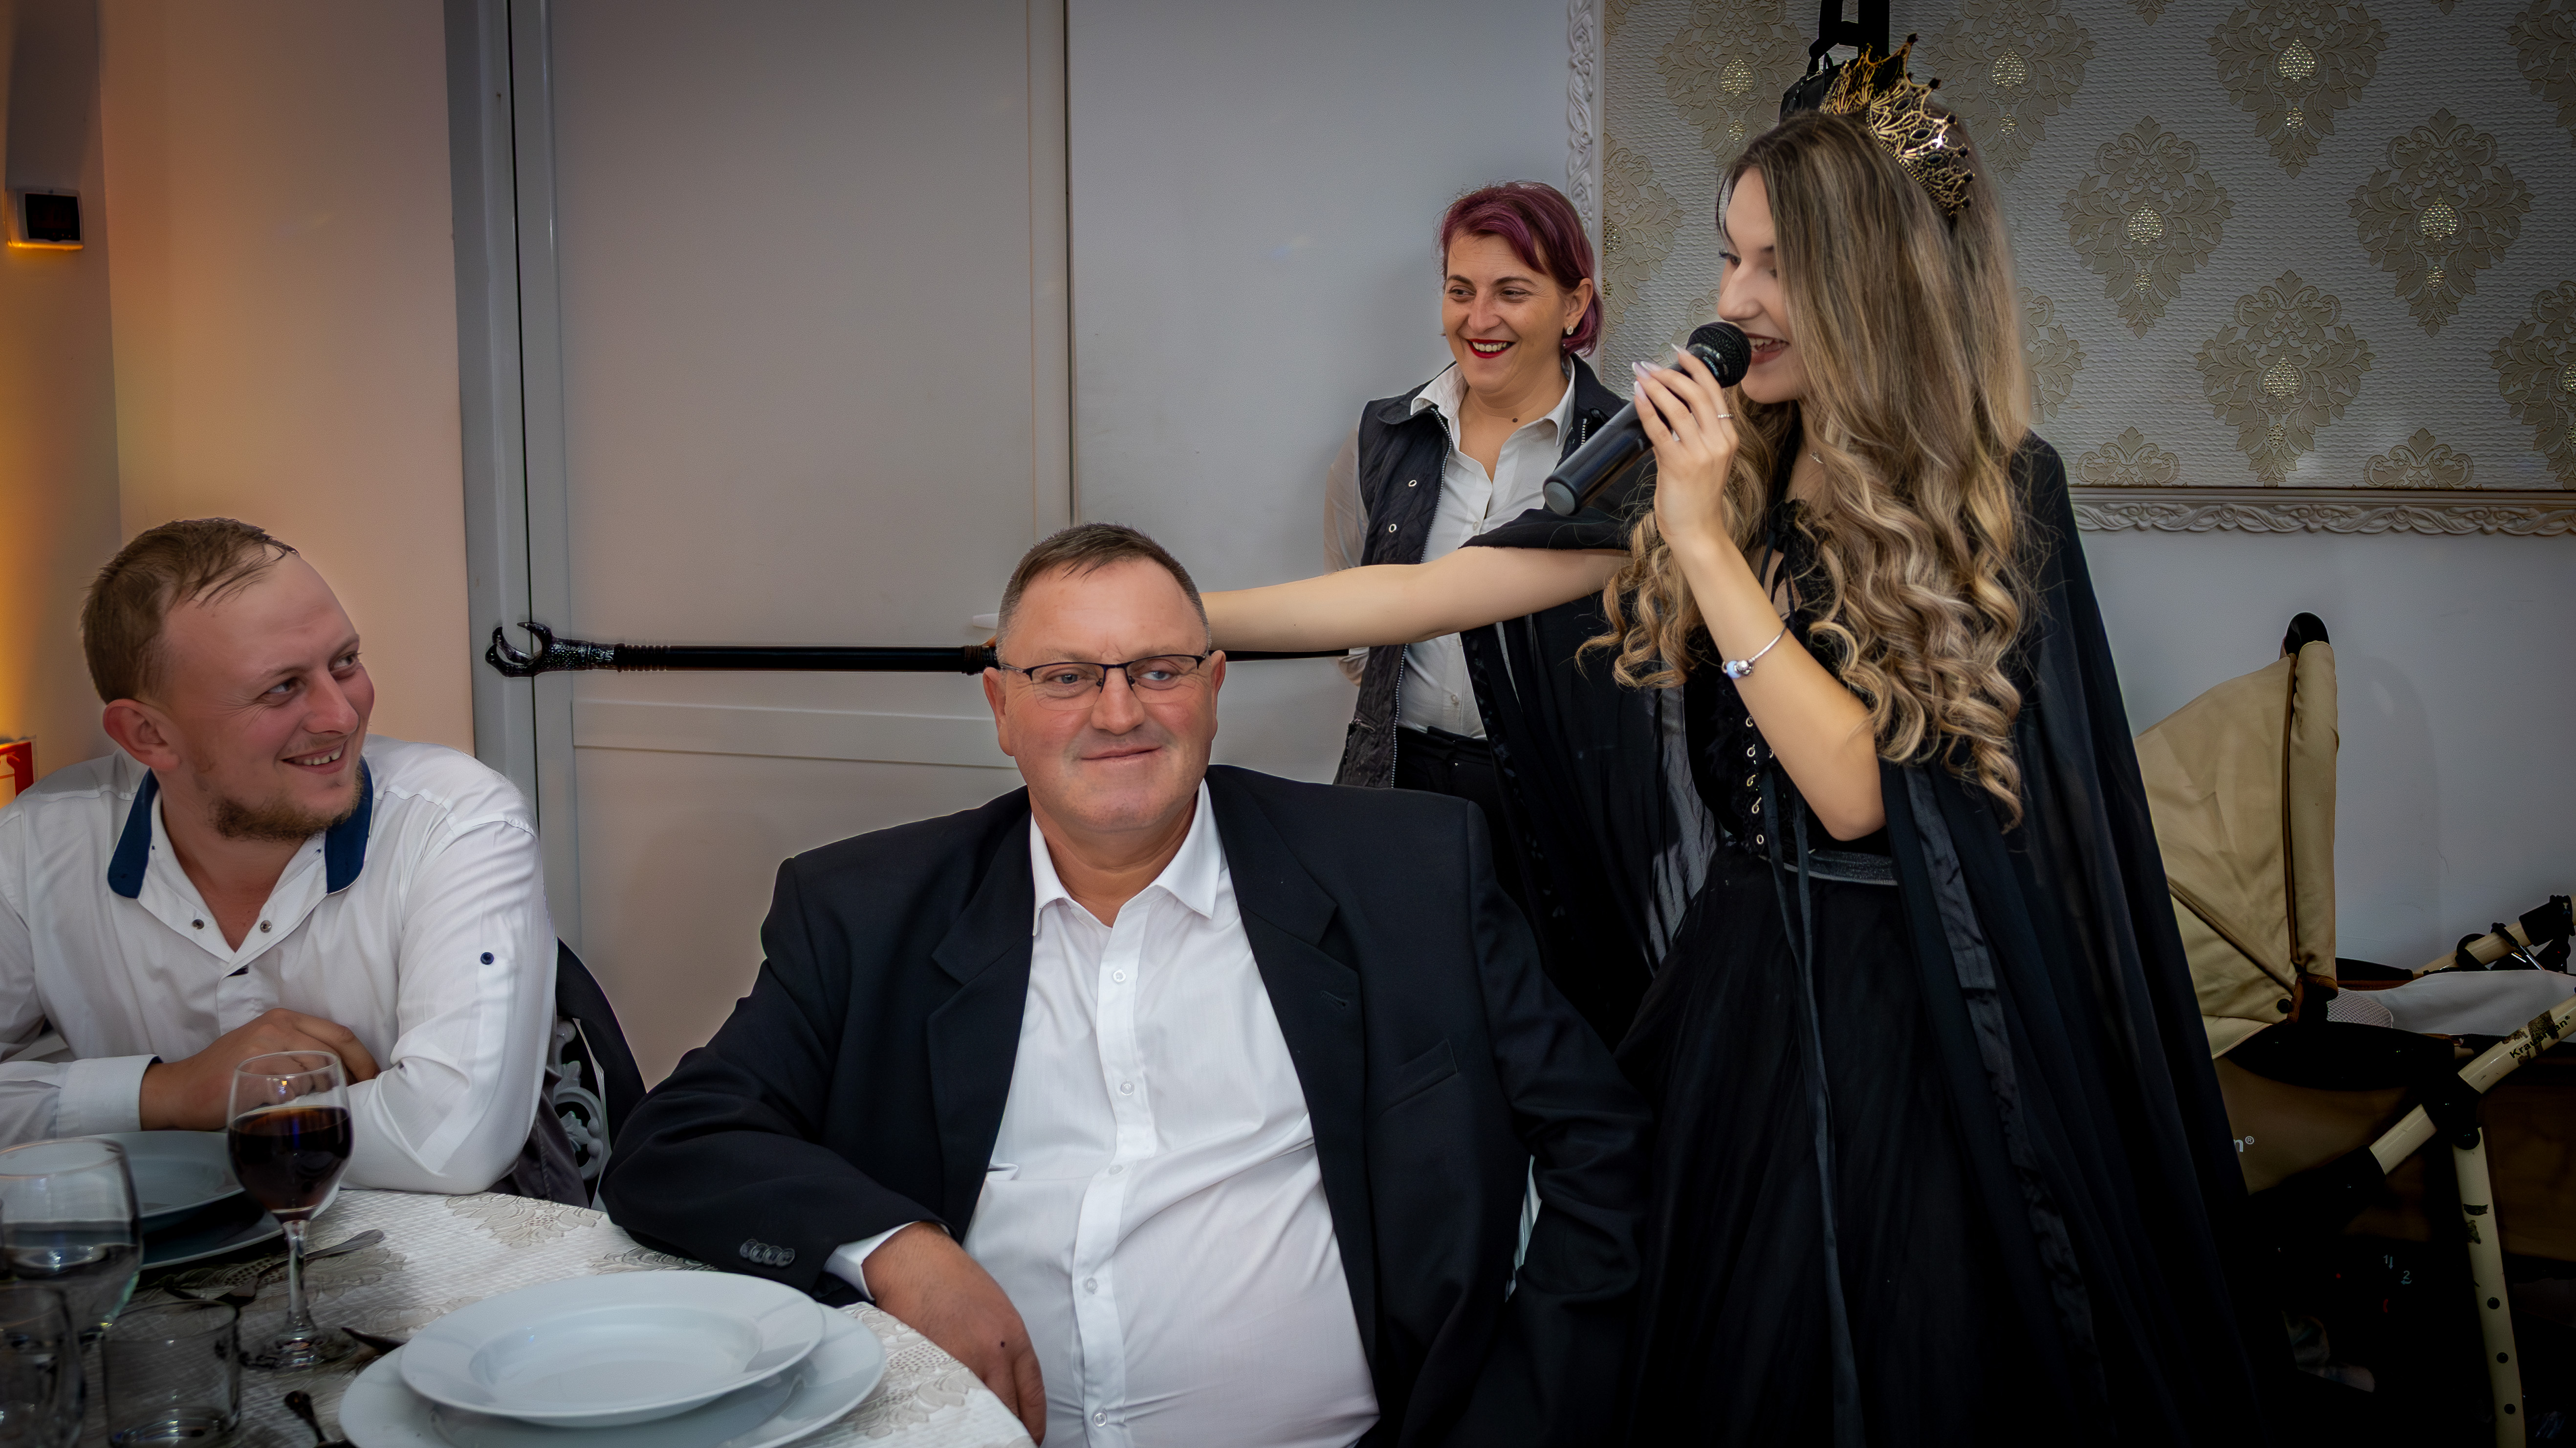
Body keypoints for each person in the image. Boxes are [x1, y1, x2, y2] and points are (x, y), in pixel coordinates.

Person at [1201, 48, 2276, 1445]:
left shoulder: (1995, 489)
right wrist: (1168, 620)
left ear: (1871, 282)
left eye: (1776, 266)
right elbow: (1434, 590)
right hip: (1745, 969)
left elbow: (1855, 792)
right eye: (1728, 257)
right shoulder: (1740, 461)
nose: (1734, 301)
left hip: (1912, 1008)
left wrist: (1705, 543)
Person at [600, 523, 1649, 1448]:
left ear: (1214, 687)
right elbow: (676, 1143)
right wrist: (899, 1251)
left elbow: (1600, 1151)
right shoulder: (866, 911)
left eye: (1158, 670)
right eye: (1065, 678)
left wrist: (1517, 1425)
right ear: (1001, 705)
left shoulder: (1405, 876)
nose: (1117, 712)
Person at [0, 519, 575, 1202]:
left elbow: (451, 1142)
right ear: (148, 734)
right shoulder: (38, 843)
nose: (342, 717)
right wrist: (168, 1092)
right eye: (281, 688)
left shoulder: (456, 821)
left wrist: (162, 1126)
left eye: (345, 662)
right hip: (159, 1259)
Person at [1321, 181, 1654, 1042]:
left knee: (1564, 1028)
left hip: (1560, 795)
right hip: (1404, 784)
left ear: (1573, 304)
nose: (1480, 319)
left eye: (1512, 291)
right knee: (1408, 1027)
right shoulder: (1384, 437)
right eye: (1460, 290)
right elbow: (1355, 615)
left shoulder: (1630, 452)